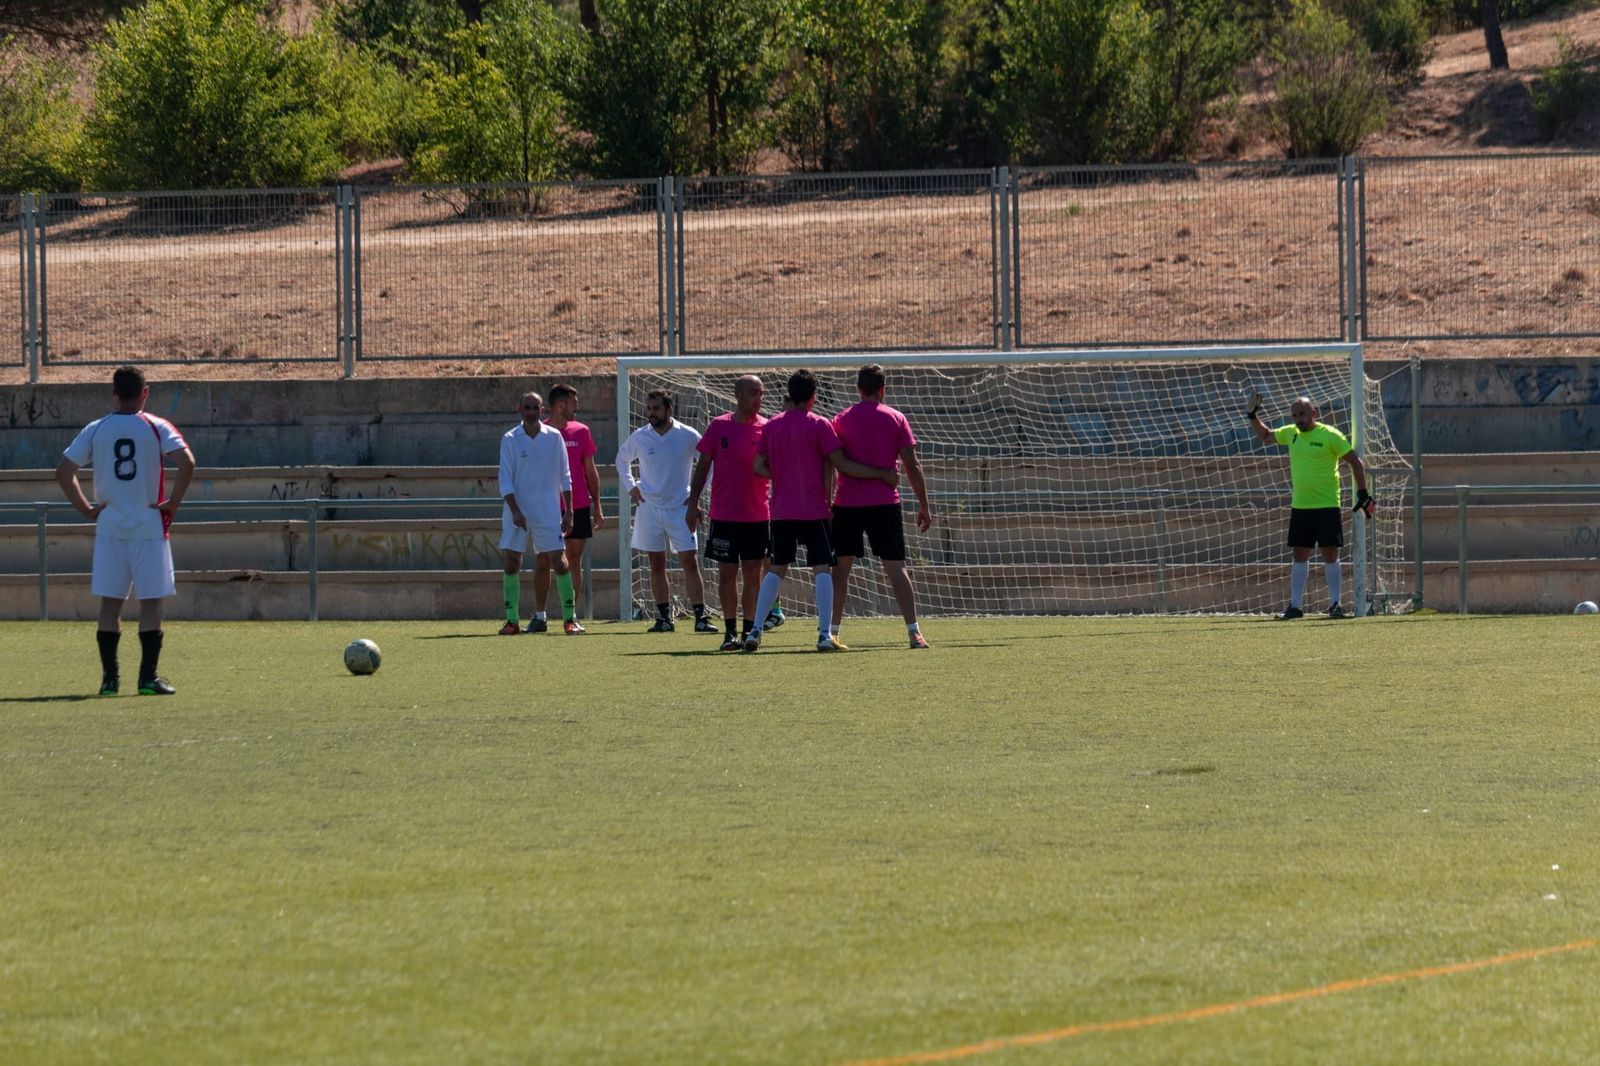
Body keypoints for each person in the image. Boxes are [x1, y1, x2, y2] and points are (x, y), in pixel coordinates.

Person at [55, 364, 196, 696]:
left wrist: (86, 509)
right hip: (148, 526)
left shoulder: (96, 428)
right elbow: (188, 462)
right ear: (145, 393)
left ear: (114, 394)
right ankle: (147, 679)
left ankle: (109, 680)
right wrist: (172, 503)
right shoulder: (156, 426)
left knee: (110, 604)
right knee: (151, 603)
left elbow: (63, 471)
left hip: (110, 528)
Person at [745, 369, 898, 653]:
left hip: (781, 511)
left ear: (790, 394)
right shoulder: (819, 425)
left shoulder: (772, 425)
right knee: (822, 570)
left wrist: (781, 476)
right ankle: (825, 635)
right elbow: (841, 463)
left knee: (777, 569)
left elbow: (757, 466)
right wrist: (881, 474)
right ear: (814, 396)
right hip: (814, 510)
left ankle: (755, 631)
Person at [829, 363, 934, 649]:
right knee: (896, 568)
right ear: (882, 390)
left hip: (847, 503)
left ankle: (831, 632)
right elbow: (912, 465)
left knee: (841, 569)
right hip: (884, 504)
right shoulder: (896, 418)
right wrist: (924, 505)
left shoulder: (841, 419)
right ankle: (914, 632)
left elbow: (834, 463)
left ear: (858, 389)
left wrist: (827, 503)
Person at [1249, 393, 1373, 619]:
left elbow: (1356, 462)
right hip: (1301, 506)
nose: (1298, 419)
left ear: (1313, 413)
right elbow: (1266, 436)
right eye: (1295, 415)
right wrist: (1252, 416)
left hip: (1327, 505)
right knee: (1299, 555)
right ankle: (1295, 606)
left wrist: (1362, 492)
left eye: (1302, 414)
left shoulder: (1330, 435)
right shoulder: (1291, 433)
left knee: (1330, 554)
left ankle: (1335, 604)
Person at [616, 389, 714, 633]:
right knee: (656, 563)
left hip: (680, 508)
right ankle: (664, 618)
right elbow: (621, 460)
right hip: (648, 508)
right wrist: (631, 487)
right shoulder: (640, 436)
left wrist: (695, 495)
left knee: (689, 561)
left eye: (656, 408)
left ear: (669, 409)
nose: (651, 413)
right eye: (648, 408)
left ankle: (700, 617)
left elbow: (707, 462)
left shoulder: (687, 435)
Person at [687, 375, 770, 652]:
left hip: (758, 515)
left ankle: (750, 631)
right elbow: (702, 467)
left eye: (760, 393)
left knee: (753, 574)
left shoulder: (767, 428)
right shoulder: (719, 426)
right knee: (727, 574)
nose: (758, 398)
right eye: (752, 393)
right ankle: (729, 632)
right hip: (724, 515)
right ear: (738, 396)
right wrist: (692, 502)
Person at [497, 391, 577, 635]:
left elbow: (566, 476)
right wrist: (515, 511)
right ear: (519, 409)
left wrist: (569, 511)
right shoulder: (510, 438)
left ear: (542, 410)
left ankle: (569, 619)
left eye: (535, 408)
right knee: (512, 563)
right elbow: (505, 480)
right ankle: (512, 621)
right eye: (527, 407)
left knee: (560, 563)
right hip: (517, 512)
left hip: (548, 512)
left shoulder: (554, 438)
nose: (531, 412)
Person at [536, 383, 603, 633]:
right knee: (544, 559)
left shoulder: (582, 431)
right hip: (546, 507)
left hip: (579, 506)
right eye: (575, 403)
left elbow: (590, 470)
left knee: (574, 560)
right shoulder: (538, 432)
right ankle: (539, 615)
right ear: (560, 405)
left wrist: (597, 504)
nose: (578, 407)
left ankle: (569, 616)